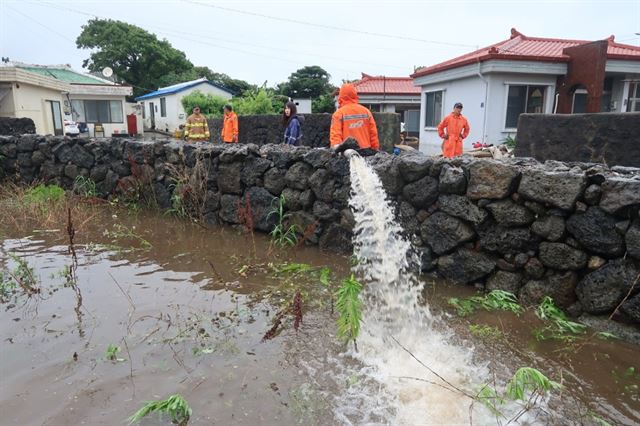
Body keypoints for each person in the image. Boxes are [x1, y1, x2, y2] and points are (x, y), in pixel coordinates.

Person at [329, 83, 379, 155]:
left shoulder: (338, 114)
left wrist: (337, 151)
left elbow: (335, 136)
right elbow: (373, 133)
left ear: (341, 95)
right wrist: (375, 149)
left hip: (347, 153)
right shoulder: (366, 111)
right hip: (366, 151)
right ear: (355, 94)